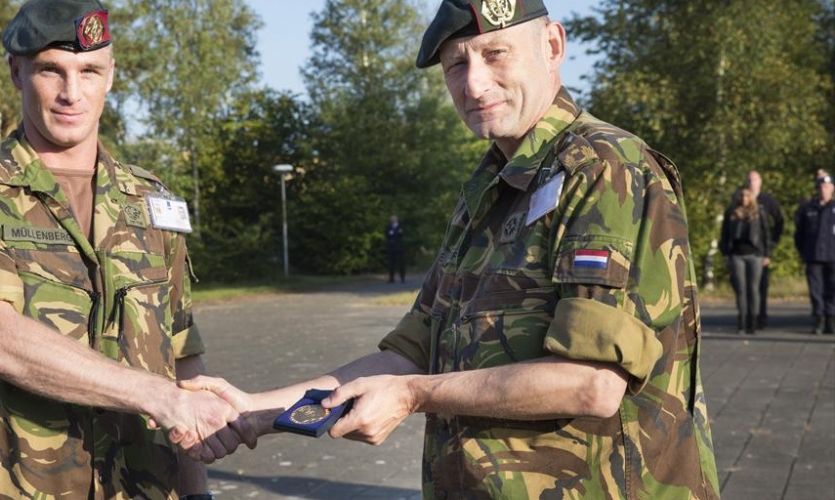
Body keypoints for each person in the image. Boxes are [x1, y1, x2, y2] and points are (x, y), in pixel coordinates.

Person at [184, 1, 720, 498]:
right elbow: (408, 353)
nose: (474, 83)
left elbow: (592, 383)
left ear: (552, 46)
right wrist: (255, 411)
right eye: (456, 65)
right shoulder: (487, 190)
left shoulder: (605, 169)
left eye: (494, 53)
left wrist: (415, 394)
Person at [0, 0, 253, 497]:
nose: (72, 93)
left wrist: (197, 490)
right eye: (52, 71)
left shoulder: (152, 200)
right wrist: (159, 399)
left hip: (146, 485)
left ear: (110, 76)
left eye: (89, 70)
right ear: (16, 72)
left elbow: (182, 354)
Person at [720, 185, 772, 334]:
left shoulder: (759, 212)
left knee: (754, 289)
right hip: (737, 255)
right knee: (740, 289)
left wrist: (767, 254)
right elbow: (724, 235)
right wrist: (725, 254)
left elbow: (765, 234)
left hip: (755, 255)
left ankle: (753, 322)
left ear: (751, 197)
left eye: (747, 196)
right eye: (742, 196)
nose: (744, 199)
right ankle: (741, 322)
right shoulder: (731, 212)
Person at [794, 174, 835, 334]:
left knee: (833, 289)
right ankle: (819, 319)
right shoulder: (808, 209)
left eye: (826, 187)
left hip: (833, 256)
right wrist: (803, 252)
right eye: (820, 187)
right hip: (814, 256)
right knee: (816, 290)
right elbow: (800, 234)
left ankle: (831, 319)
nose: (823, 190)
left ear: (832, 189)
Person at [745, 170, 784, 327]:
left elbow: (779, 221)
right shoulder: (741, 198)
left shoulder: (767, 200)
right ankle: (748, 317)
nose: (751, 183)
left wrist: (772, 244)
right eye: (749, 180)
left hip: (762, 250)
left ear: (760, 182)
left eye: (754, 180)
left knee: (762, 285)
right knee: (746, 286)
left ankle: (762, 316)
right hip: (745, 250)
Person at [386, 215, 406, 283]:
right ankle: (391, 278)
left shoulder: (400, 227)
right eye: (391, 219)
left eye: (394, 219)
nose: (392, 220)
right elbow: (387, 235)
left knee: (401, 263)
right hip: (391, 248)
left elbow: (400, 235)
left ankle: (402, 277)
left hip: (399, 248)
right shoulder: (389, 227)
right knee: (391, 263)